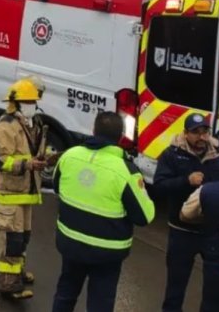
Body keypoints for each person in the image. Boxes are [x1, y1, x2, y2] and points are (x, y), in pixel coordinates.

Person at [51, 112, 156, 312]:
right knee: (101, 303)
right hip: (106, 253)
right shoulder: (126, 171)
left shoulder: (69, 156)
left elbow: (57, 187)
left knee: (65, 293)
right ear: (120, 137)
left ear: (93, 130)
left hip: (70, 242)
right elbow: (145, 216)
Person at [153, 113, 219, 312]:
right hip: (181, 231)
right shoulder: (171, 154)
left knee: (216, 289)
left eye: (204, 131)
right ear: (185, 133)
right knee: (175, 289)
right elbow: (159, 186)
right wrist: (186, 180)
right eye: (195, 132)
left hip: (212, 233)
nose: (201, 137)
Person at [0, 77, 46, 300]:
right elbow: (0, 160)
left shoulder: (33, 124)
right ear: (17, 103)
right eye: (30, 101)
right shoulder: (6, 126)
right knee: (11, 240)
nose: (34, 104)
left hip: (26, 193)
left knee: (22, 238)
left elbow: (31, 153)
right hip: (10, 194)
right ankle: (8, 284)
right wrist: (27, 165)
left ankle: (18, 273)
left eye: (35, 100)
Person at [180, 178, 219, 312]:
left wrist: (209, 218)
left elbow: (185, 215)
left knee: (212, 305)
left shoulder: (207, 190)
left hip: (218, 260)